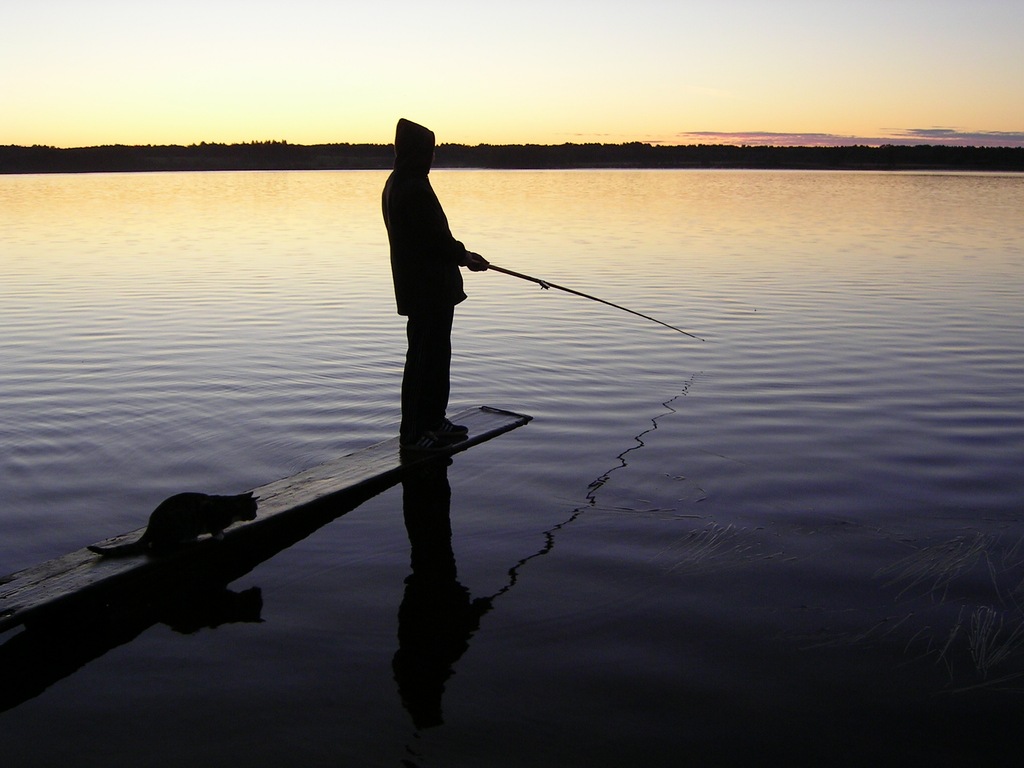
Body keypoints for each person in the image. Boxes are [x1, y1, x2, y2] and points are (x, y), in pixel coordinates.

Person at [382, 118, 489, 452]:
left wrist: (461, 255)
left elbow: (433, 238)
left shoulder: (402, 182)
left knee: (435, 357)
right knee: (423, 361)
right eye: (428, 150)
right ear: (416, 152)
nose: (432, 157)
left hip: (431, 289)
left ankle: (434, 421)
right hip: (426, 290)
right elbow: (435, 239)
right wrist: (465, 256)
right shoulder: (411, 187)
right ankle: (414, 433)